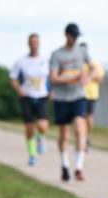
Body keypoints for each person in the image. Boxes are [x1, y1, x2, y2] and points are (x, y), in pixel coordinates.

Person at [49, 23, 91, 181]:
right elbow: (53, 78)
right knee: (63, 134)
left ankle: (79, 167)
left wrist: (89, 77)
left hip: (78, 96)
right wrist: (72, 78)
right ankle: (65, 165)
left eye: (77, 36)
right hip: (62, 98)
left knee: (81, 130)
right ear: (66, 35)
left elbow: (93, 68)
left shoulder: (82, 52)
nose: (75, 39)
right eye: (73, 36)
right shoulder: (57, 55)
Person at [10, 33, 51, 166]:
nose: (34, 44)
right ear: (28, 44)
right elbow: (13, 78)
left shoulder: (45, 60)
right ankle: (32, 154)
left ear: (39, 44)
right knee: (29, 127)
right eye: (32, 42)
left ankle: (41, 138)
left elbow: (52, 77)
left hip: (42, 95)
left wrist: (52, 90)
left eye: (36, 42)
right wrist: (19, 89)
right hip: (27, 95)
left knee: (43, 126)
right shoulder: (21, 61)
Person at [80, 41, 104, 148]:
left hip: (91, 94)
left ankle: (87, 136)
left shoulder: (94, 63)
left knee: (89, 117)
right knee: (80, 118)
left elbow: (100, 78)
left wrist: (91, 76)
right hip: (79, 94)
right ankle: (81, 137)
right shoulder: (76, 64)